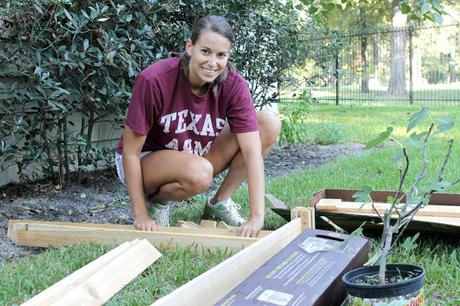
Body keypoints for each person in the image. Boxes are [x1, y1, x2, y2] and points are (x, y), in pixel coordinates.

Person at [115, 15, 280, 237]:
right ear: (190, 47)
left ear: (228, 55)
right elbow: (130, 153)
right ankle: (157, 203)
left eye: (221, 55)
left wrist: (256, 217)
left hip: (192, 154)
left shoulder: (234, 85)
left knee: (267, 124)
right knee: (200, 172)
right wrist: (141, 214)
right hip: (144, 160)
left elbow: (252, 153)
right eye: (206, 51)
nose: (213, 63)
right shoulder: (154, 80)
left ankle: (219, 202)